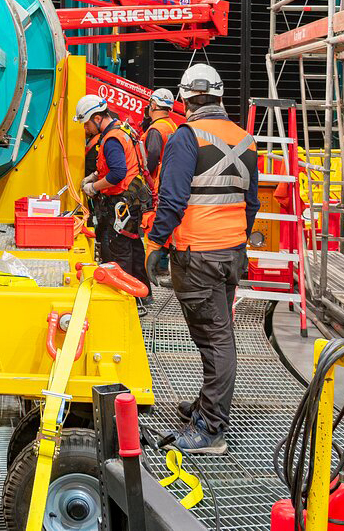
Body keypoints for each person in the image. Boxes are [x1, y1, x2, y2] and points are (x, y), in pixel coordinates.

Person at [146, 63, 259, 455]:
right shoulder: (246, 140)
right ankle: (206, 406)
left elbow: (173, 200)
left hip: (198, 255)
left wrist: (155, 243)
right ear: (220, 93)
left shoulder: (186, 137)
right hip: (230, 254)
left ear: (183, 98)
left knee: (215, 339)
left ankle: (210, 427)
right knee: (215, 334)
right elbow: (251, 203)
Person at [75, 94, 153, 305]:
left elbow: (118, 173)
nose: (86, 129)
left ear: (97, 118)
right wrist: (95, 176)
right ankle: (143, 297)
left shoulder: (111, 140)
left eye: (86, 124)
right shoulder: (124, 130)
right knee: (135, 250)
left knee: (119, 254)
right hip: (132, 202)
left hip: (121, 204)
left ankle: (124, 303)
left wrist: (94, 186)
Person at [141, 88, 179, 265]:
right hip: (170, 181)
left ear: (153, 105)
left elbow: (153, 155)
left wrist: (144, 179)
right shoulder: (172, 125)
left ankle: (158, 265)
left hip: (156, 185)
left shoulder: (156, 129)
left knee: (155, 224)